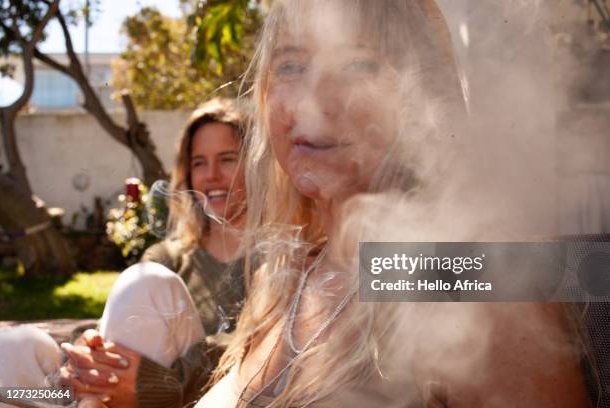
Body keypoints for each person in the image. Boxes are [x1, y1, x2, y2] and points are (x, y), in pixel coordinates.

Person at [191, 0, 591, 407]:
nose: (314, 101)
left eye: (357, 65)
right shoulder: (280, 280)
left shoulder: (471, 277)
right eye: (291, 66)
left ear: (422, 95)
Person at [0, 98, 248, 408]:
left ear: (254, 164)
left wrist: (159, 381)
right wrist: (87, 349)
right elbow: (117, 321)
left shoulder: (277, 258)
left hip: (189, 398)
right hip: (107, 392)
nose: (211, 175)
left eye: (227, 159)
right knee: (13, 349)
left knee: (147, 283)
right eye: (199, 162)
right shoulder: (168, 256)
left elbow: (258, 347)